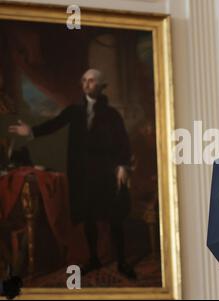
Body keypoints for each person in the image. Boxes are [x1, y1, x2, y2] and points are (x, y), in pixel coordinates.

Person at [8, 69, 136, 279]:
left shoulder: (112, 115)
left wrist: (122, 166)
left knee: (115, 218)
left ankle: (122, 262)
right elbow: (54, 124)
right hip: (83, 174)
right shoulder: (74, 111)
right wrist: (30, 131)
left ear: (101, 86)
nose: (86, 84)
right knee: (88, 217)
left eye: (92, 81)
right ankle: (93, 258)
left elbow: (123, 141)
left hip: (106, 173)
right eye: (84, 80)